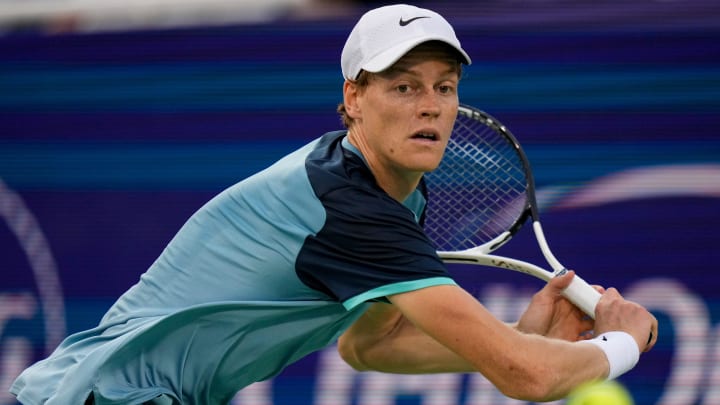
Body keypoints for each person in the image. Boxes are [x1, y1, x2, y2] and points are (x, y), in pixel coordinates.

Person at [10, 4, 658, 404]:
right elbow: (526, 377)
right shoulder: (347, 206)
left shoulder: (389, 193)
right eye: (403, 86)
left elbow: (369, 347)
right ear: (353, 98)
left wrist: (519, 335)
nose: (430, 104)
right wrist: (622, 342)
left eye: (444, 86)